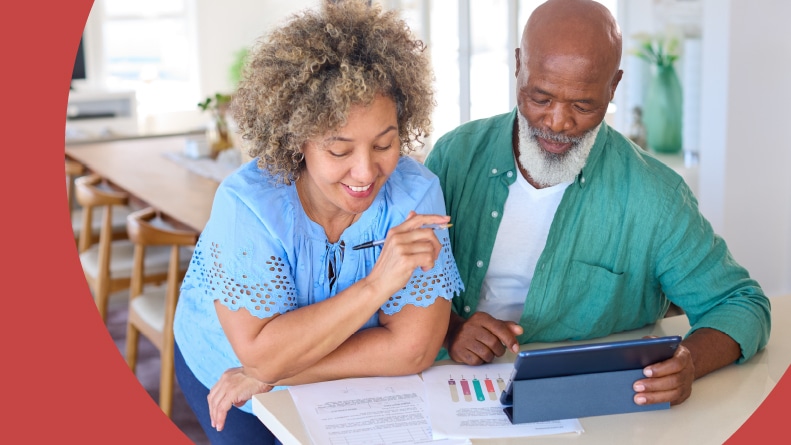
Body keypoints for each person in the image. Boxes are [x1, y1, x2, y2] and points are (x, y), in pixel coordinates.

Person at [424, 0, 770, 408]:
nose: (557, 122)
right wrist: (451, 329)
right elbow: (404, 282)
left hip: (593, 405)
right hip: (451, 385)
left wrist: (690, 362)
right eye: (540, 98)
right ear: (518, 66)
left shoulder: (653, 195)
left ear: (613, 86)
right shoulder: (454, 156)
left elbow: (743, 304)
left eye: (583, 105)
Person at [172, 1, 463, 443]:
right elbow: (258, 352)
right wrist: (376, 286)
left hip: (327, 379)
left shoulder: (416, 194)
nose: (366, 173)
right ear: (297, 139)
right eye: (340, 151)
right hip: (223, 372)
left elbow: (413, 349)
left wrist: (271, 371)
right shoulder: (246, 204)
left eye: (385, 144)